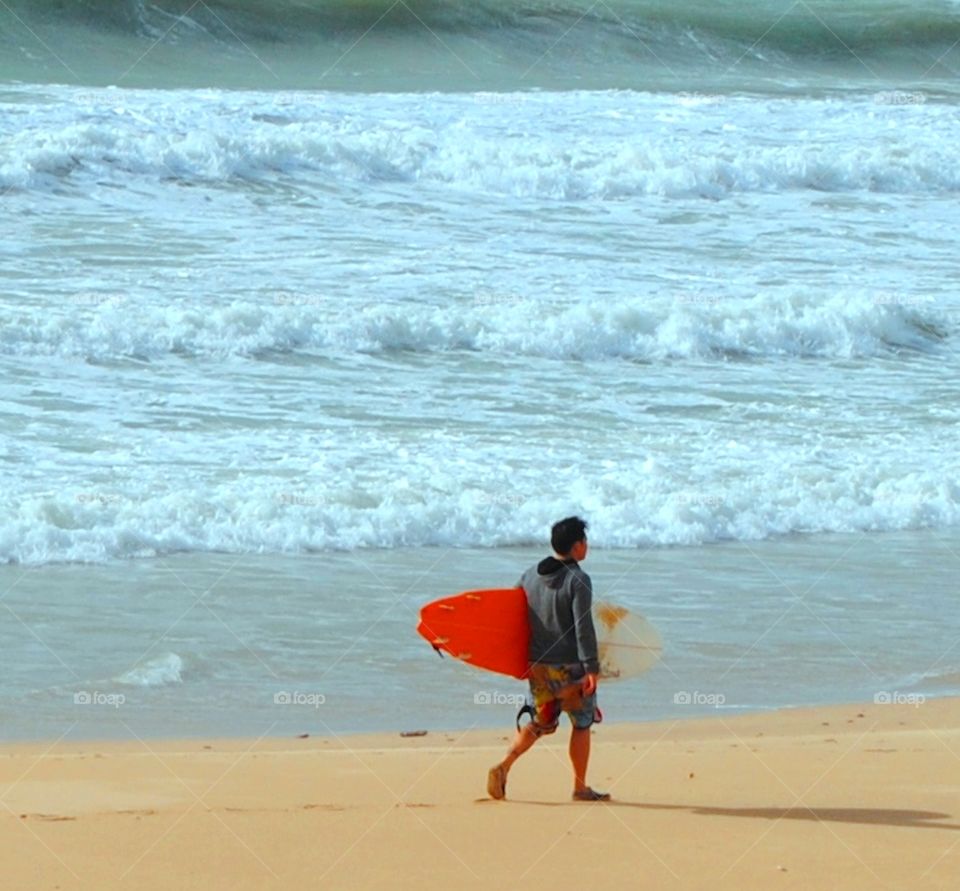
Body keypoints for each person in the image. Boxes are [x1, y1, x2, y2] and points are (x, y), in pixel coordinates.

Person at [487, 516, 610, 802]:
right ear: (577, 546)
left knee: (540, 722)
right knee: (581, 723)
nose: (587, 546)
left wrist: (516, 661)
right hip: (571, 669)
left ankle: (504, 766)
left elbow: (513, 619)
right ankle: (580, 788)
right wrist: (591, 667)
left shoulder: (529, 576)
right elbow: (583, 626)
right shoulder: (578, 579)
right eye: (585, 541)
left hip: (539, 667)